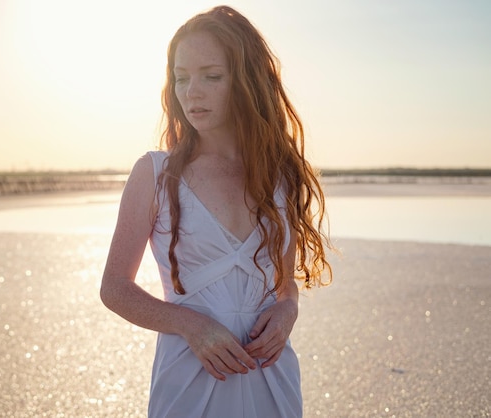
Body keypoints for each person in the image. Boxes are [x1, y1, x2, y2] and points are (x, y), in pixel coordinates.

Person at [100, 5, 332, 417]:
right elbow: (115, 288)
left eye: (211, 76)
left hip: (271, 375)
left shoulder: (279, 175)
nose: (191, 92)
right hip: (190, 377)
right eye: (181, 78)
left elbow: (285, 283)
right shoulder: (155, 173)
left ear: (246, 82)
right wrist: (190, 325)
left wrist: (287, 311)